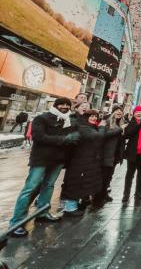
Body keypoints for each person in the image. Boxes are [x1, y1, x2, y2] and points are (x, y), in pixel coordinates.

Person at [8, 97, 80, 237]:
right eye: (62, 104)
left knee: (49, 186)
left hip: (58, 160)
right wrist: (64, 139)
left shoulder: (68, 120)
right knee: (30, 188)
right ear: (56, 105)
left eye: (67, 104)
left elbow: (73, 138)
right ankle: (16, 222)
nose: (65, 106)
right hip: (41, 159)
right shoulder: (42, 118)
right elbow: (39, 137)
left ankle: (42, 212)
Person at [62, 110, 122, 215]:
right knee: (75, 183)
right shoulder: (83, 127)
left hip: (88, 160)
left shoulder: (91, 126)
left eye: (95, 116)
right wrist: (102, 127)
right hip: (80, 160)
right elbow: (98, 136)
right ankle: (69, 208)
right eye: (91, 116)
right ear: (86, 117)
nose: (94, 118)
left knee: (82, 183)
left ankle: (75, 205)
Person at [96, 105, 126, 203]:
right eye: (117, 110)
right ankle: (97, 198)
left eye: (120, 111)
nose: (119, 112)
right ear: (113, 112)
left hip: (115, 155)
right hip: (106, 154)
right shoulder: (106, 121)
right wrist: (119, 129)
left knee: (109, 176)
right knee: (102, 177)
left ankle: (104, 194)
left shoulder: (122, 123)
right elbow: (103, 135)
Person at [122, 106, 141, 203]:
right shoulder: (131, 123)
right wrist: (138, 124)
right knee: (129, 175)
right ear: (134, 114)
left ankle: (139, 194)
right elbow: (127, 134)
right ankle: (126, 195)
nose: (139, 114)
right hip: (132, 154)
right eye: (137, 112)